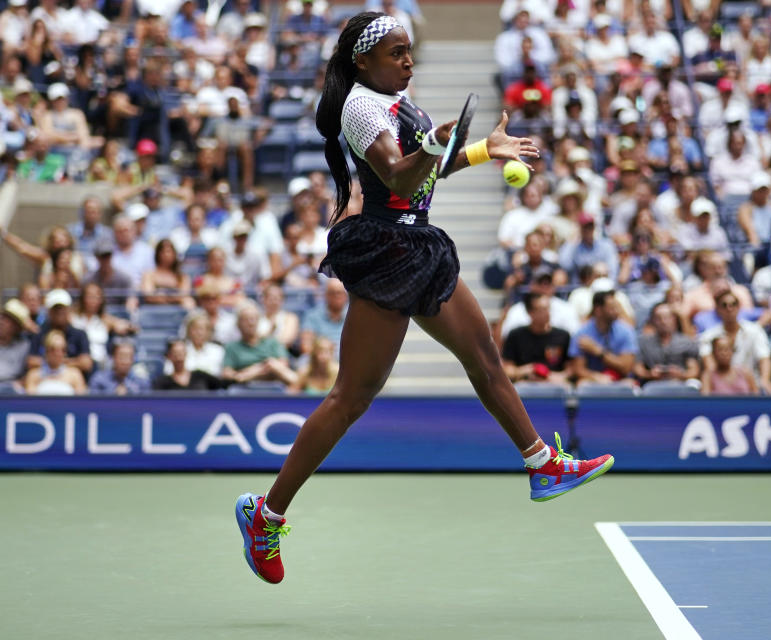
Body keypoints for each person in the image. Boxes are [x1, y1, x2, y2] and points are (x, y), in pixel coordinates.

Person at [234, 13, 613, 585]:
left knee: (484, 358)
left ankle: (542, 464)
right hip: (387, 249)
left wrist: (485, 148)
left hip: (419, 242)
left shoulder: (402, 99)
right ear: (363, 61)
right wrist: (436, 143)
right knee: (350, 398)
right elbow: (399, 177)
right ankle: (267, 515)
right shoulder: (361, 107)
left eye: (409, 51)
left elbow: (431, 173)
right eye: (395, 52)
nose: (407, 60)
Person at [699, 290, 771, 394]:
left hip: (752, 385)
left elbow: (764, 357)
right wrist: (727, 381)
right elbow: (711, 367)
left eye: (733, 304)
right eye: (724, 305)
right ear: (718, 309)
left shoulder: (755, 330)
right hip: (719, 389)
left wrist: (765, 380)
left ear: (739, 307)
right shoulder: (707, 336)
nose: (729, 309)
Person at [569, 290, 638, 385]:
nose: (617, 311)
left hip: (620, 379)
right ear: (598, 310)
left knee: (630, 384)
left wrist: (598, 351)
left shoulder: (626, 331)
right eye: (612, 308)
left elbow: (626, 368)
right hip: (594, 379)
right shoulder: (581, 333)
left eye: (617, 308)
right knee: (582, 384)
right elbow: (578, 369)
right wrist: (597, 377)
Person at [501, 293, 571, 384]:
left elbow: (571, 370)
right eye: (542, 310)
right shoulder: (516, 335)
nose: (547, 313)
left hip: (554, 386)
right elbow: (507, 369)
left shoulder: (563, 335)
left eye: (548, 308)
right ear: (530, 312)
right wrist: (527, 370)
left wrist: (551, 376)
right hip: (524, 385)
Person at [222, 304, 298, 387]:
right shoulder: (232, 347)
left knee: (272, 364)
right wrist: (263, 367)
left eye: (254, 319)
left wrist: (253, 371)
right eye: (246, 320)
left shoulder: (272, 342)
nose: (251, 323)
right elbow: (226, 374)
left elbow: (282, 366)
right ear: (238, 324)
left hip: (273, 383)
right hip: (244, 387)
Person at [27, 289, 93, 376]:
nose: (59, 312)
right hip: (44, 379)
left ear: (69, 310)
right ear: (49, 311)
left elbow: (86, 364)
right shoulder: (39, 333)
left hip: (72, 381)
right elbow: (31, 362)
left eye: (62, 308)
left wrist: (56, 362)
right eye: (56, 308)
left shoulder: (80, 334)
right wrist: (71, 362)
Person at [634, 302, 700, 385]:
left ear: (674, 319)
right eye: (658, 318)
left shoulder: (687, 342)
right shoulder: (643, 342)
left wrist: (680, 374)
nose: (663, 321)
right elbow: (638, 368)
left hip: (680, 383)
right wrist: (650, 374)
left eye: (667, 317)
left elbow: (694, 370)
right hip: (652, 383)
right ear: (652, 320)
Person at [23, 330, 87, 395]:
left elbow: (81, 402)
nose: (58, 353)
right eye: (53, 349)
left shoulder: (75, 375)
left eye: (62, 350)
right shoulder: (33, 375)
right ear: (46, 351)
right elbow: (30, 402)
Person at [154, 339, 222, 391]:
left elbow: (221, 384)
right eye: (175, 353)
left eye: (182, 352)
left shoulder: (200, 376)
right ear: (168, 356)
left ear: (186, 353)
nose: (179, 358)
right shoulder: (161, 382)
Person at [0, 299, 31, 385]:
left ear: (16, 327)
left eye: (8, 320)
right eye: (2, 317)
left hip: (11, 390)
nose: (2, 322)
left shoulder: (24, 346)